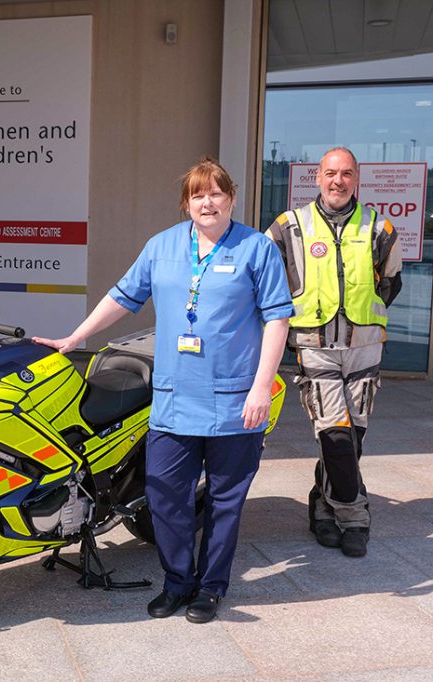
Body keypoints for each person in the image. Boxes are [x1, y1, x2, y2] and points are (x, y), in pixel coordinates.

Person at [35, 158, 292, 623]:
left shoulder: (257, 248)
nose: (207, 202)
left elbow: (277, 319)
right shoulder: (162, 247)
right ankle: (178, 581)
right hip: (175, 397)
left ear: (231, 198)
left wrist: (260, 389)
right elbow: (122, 296)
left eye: (216, 193)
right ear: (187, 203)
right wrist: (74, 339)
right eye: (198, 194)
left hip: (235, 398)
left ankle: (210, 587)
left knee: (224, 500)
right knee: (164, 494)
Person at [266, 146, 402, 558]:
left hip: (364, 350)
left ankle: (322, 505)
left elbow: (390, 284)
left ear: (356, 179)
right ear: (317, 177)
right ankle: (355, 516)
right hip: (315, 348)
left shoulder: (381, 229)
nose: (337, 181)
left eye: (345, 173)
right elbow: (268, 282)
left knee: (352, 440)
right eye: (330, 173)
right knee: (337, 437)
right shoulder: (288, 226)